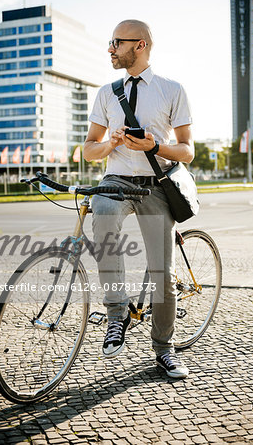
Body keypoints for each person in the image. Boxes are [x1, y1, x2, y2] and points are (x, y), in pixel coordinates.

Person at [84, 19, 194, 379]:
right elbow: (89, 151)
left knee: (163, 275)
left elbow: (187, 151)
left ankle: (164, 349)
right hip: (116, 178)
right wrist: (111, 143)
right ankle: (116, 315)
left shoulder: (171, 89)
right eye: (111, 42)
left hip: (156, 183)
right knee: (101, 210)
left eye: (116, 42)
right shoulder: (106, 93)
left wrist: (155, 145)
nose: (110, 48)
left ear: (140, 45)